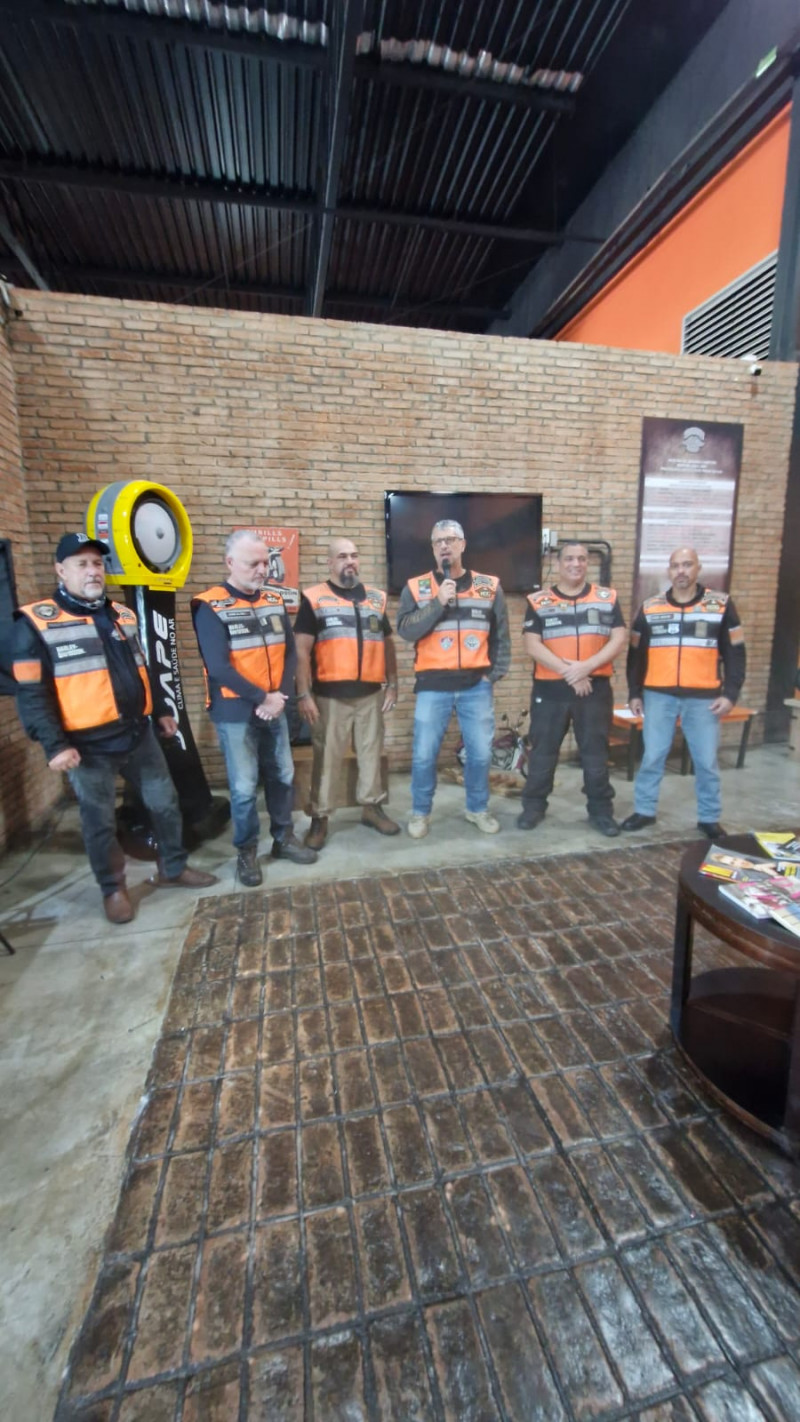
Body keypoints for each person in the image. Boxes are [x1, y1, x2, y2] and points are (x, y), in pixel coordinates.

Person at [13, 533, 217, 924]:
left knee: (165, 803)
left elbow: (143, 669)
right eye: (82, 564)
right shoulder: (37, 623)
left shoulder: (122, 615)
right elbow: (31, 694)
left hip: (138, 735)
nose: (92, 571)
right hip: (87, 747)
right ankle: (113, 889)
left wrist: (160, 710)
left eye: (97, 563)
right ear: (60, 570)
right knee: (100, 822)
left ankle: (173, 868)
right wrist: (54, 745)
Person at [192, 530, 317, 886]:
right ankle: (246, 851)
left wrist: (279, 696)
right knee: (245, 787)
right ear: (230, 563)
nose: (262, 569)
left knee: (283, 776)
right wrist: (263, 698)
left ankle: (283, 838)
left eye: (265, 562)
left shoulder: (274, 600)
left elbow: (290, 653)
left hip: (275, 707)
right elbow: (218, 667)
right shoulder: (210, 606)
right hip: (235, 713)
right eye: (253, 563)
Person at [621, 546, 746, 838]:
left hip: (704, 698)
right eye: (675, 565)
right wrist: (635, 692)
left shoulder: (721, 605)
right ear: (669, 570)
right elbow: (635, 655)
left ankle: (709, 818)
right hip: (658, 695)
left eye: (687, 564)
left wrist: (730, 694)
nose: (681, 571)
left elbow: (736, 653)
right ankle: (644, 811)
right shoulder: (650, 607)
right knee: (653, 756)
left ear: (698, 568)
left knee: (706, 761)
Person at [396, 518, 510, 838]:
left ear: (463, 544)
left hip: (476, 686)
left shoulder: (489, 587)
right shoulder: (416, 587)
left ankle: (477, 809)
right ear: (433, 549)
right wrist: (438, 603)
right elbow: (406, 630)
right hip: (433, 686)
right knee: (423, 756)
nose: (444, 546)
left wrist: (493, 675)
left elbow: (501, 636)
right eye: (438, 541)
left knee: (480, 755)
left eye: (450, 539)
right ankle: (420, 812)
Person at [294, 537, 400, 849]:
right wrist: (304, 695)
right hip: (329, 697)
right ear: (330, 563)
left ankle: (371, 807)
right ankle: (320, 818)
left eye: (354, 555)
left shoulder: (376, 599)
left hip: (370, 694)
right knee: (327, 758)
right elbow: (301, 651)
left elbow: (388, 644)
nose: (349, 561)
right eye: (342, 556)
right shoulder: (314, 598)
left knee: (371, 754)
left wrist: (393, 684)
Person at [518, 541, 628, 836]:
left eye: (581, 559)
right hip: (550, 691)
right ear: (558, 564)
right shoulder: (539, 601)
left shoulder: (606, 598)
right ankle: (533, 807)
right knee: (542, 754)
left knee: (595, 755)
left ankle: (601, 812)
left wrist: (586, 667)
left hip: (594, 690)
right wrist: (571, 672)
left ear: (587, 563)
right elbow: (532, 645)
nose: (575, 564)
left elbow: (618, 638)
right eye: (569, 559)